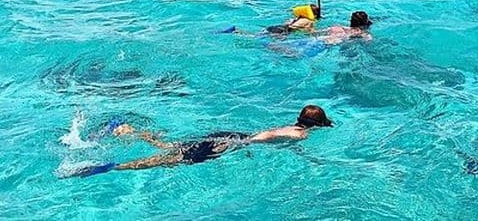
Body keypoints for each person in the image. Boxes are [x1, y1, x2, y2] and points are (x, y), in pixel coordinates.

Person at [69, 105, 332, 177]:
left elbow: (267, 135)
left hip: (230, 135)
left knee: (173, 147)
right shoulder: (301, 134)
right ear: (317, 124)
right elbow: (267, 141)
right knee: (168, 161)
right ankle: (112, 167)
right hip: (232, 144)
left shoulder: (290, 125)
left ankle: (127, 130)